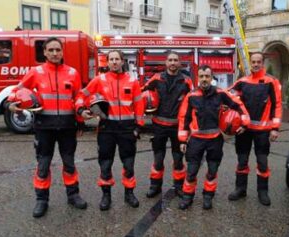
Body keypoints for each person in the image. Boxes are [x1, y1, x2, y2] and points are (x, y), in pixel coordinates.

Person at [7, 37, 87, 218]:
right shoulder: (36, 72)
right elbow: (16, 91)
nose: (55, 53)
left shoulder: (72, 73)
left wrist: (80, 121)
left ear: (62, 51)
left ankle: (73, 195)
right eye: (50, 50)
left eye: (58, 50)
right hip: (44, 127)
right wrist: (12, 104)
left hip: (67, 127)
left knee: (69, 163)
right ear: (44, 52)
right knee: (43, 165)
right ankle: (42, 200)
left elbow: (79, 97)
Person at [76, 50, 145, 211]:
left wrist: (139, 126)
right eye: (111, 59)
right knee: (105, 163)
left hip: (127, 129)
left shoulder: (132, 81)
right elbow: (81, 95)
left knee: (128, 163)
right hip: (107, 129)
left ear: (122, 61)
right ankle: (106, 195)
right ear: (107, 62)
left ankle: (129, 193)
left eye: (117, 59)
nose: (114, 62)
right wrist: (80, 110)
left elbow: (139, 104)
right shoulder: (99, 80)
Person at [177, 65, 250, 210]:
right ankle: (187, 197)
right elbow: (183, 118)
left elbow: (238, 105)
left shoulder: (220, 93)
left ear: (211, 78)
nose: (204, 79)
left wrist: (245, 122)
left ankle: (208, 196)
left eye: (207, 76)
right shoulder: (191, 96)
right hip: (196, 140)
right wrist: (182, 140)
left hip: (214, 140)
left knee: (212, 171)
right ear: (198, 78)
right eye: (202, 76)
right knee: (191, 171)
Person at [227, 52, 282, 206]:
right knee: (242, 160)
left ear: (262, 63)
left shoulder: (271, 82)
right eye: (253, 62)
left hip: (263, 131)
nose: (256, 64)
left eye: (259, 62)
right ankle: (240, 189)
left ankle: (262, 192)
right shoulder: (242, 81)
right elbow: (227, 95)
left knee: (262, 162)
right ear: (250, 63)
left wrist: (275, 128)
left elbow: (277, 104)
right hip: (244, 130)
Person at [142, 51, 194, 198]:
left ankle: (178, 187)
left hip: (178, 127)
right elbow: (141, 93)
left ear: (180, 63)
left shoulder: (186, 81)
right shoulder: (156, 78)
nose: (172, 63)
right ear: (166, 63)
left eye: (175, 60)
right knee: (158, 159)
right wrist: (146, 106)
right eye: (170, 60)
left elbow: (195, 100)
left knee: (178, 160)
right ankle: (155, 186)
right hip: (159, 126)